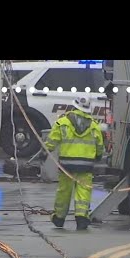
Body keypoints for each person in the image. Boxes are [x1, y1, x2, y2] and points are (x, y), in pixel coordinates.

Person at [44, 96, 104, 230]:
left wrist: (46, 150)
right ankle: (81, 218)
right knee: (83, 192)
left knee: (64, 191)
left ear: (74, 106)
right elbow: (100, 145)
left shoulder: (62, 123)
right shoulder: (94, 126)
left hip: (66, 165)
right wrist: (98, 156)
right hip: (86, 165)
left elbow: (52, 141)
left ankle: (59, 218)